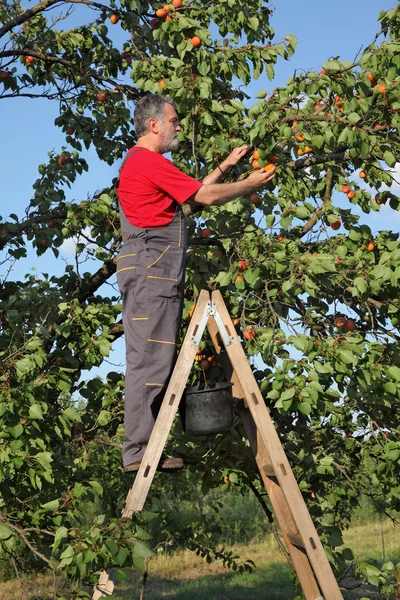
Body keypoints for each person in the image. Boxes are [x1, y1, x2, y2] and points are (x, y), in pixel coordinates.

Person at [116, 94, 276, 473]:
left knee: (155, 360)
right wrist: (248, 184)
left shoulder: (143, 165)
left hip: (151, 272)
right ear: (153, 125)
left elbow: (188, 202)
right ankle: (138, 452)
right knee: (149, 363)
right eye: (173, 120)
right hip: (150, 272)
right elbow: (204, 196)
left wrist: (225, 166)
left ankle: (141, 449)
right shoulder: (147, 161)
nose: (177, 126)